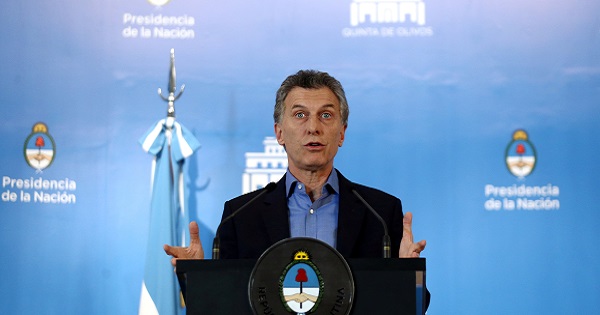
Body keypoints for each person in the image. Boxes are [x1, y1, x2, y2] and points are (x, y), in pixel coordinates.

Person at [164, 69, 426, 262]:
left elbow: (412, 304)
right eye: (300, 115)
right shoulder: (240, 215)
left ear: (342, 133)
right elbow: (222, 303)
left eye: (326, 115)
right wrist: (196, 277)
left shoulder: (380, 213)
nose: (313, 127)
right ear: (279, 133)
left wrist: (409, 274)